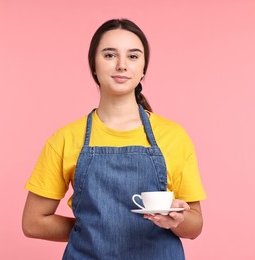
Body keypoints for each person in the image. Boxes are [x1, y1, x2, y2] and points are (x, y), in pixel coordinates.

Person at [22, 18, 206, 259]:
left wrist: (177, 220)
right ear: (94, 66)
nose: (122, 65)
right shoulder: (66, 139)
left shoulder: (173, 136)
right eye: (109, 55)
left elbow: (195, 226)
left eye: (133, 56)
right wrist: (92, 230)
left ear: (143, 69)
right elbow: (33, 222)